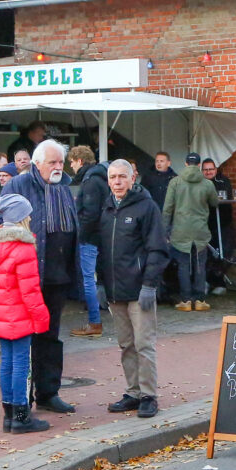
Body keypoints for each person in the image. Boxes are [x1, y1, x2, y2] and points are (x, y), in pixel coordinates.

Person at [7, 139, 82, 412]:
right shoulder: (18, 186)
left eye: (61, 162)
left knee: (51, 336)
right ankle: (21, 399)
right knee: (26, 339)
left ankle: (49, 393)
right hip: (29, 276)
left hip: (58, 277)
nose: (58, 167)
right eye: (52, 162)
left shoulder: (64, 188)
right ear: (36, 164)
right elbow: (0, 227)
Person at [97, 159, 169, 418]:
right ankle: (133, 392)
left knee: (143, 344)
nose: (117, 182)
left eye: (122, 177)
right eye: (113, 177)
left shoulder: (146, 207)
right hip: (116, 291)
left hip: (140, 290)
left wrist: (150, 285)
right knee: (126, 344)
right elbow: (102, 251)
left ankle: (149, 395)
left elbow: (158, 249)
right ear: (108, 180)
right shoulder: (106, 209)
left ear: (132, 178)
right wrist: (102, 283)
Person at [0, 192, 52, 434]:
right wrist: (42, 318)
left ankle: (9, 415)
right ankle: (22, 416)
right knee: (21, 364)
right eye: (27, 213)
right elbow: (30, 291)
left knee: (7, 363)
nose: (31, 217)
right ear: (21, 217)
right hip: (20, 315)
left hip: (0, 313)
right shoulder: (23, 248)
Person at [163, 153, 216, 311]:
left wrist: (164, 230)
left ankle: (186, 301)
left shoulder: (175, 182)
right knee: (200, 265)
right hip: (200, 230)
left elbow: (167, 208)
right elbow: (214, 202)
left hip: (180, 231)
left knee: (183, 266)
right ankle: (200, 300)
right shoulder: (207, 184)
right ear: (199, 165)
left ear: (186, 164)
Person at [67, 145, 107, 336]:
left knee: (88, 280)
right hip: (100, 235)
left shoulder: (90, 181)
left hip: (90, 238)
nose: (72, 167)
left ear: (79, 161)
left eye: (72, 162)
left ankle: (94, 322)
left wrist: (81, 235)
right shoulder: (99, 178)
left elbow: (90, 214)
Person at [201, 157, 235, 294]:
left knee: (223, 253)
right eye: (206, 170)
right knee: (206, 254)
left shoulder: (224, 181)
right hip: (205, 223)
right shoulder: (199, 183)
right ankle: (206, 282)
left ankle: (219, 282)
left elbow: (226, 198)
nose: (208, 172)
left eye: (211, 169)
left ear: (216, 169)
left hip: (223, 222)